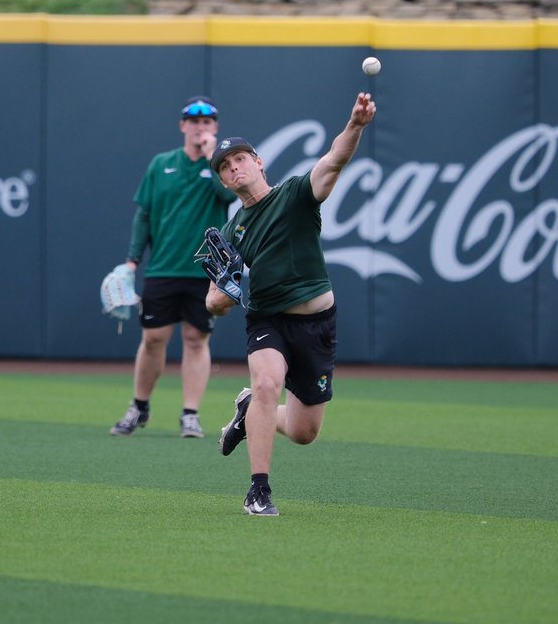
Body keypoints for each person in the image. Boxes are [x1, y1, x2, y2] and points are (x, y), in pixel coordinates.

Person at [206, 91, 377, 516]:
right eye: (226, 167)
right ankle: (258, 490)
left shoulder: (296, 194)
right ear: (225, 182)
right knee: (267, 383)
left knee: (304, 431)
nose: (234, 167)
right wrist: (223, 294)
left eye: (240, 159)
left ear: (258, 162)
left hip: (317, 323)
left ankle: (248, 411)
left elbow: (334, 160)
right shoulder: (232, 231)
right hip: (268, 320)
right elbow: (213, 301)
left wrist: (355, 125)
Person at [110, 96, 236, 438]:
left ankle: (190, 414)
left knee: (197, 339)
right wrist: (131, 261)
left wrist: (214, 157)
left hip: (205, 271)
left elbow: (228, 197)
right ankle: (139, 406)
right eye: (194, 121)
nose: (201, 126)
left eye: (208, 121)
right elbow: (145, 214)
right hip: (164, 267)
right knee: (153, 338)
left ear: (216, 127)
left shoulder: (221, 166)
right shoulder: (161, 163)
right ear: (183, 126)